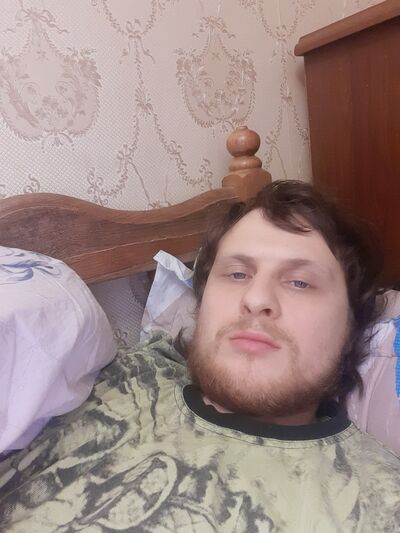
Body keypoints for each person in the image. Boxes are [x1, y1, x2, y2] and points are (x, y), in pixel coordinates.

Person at [1, 181, 399, 532]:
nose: (256, 298)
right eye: (237, 274)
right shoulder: (91, 382)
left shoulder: (381, 503)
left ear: (350, 329)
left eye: (299, 282)